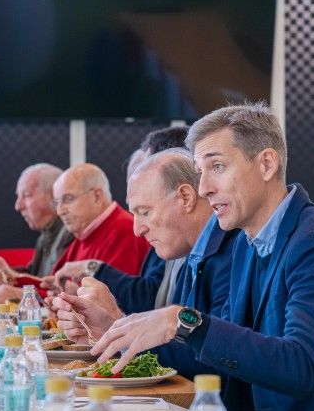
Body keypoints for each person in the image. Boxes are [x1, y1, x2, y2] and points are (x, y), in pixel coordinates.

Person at [91, 104, 314, 411]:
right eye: (199, 171)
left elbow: (302, 367)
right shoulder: (246, 243)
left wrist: (184, 321)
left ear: (266, 164)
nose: (204, 187)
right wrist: (120, 333)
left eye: (217, 166)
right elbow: (218, 354)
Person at [53, 150, 238, 379]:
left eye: (145, 212)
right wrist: (113, 329)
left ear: (186, 197)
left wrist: (117, 325)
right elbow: (182, 350)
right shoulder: (193, 254)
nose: (137, 230)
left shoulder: (231, 251)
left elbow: (217, 363)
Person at [53, 126, 189, 305]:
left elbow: (144, 299)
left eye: (145, 211)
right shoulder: (83, 234)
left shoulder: (125, 229)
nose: (60, 210)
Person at [0, 163, 74, 303]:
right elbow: (35, 276)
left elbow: (62, 292)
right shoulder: (46, 235)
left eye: (26, 195)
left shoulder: (71, 232)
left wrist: (15, 289)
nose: (18, 206)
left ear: (54, 195)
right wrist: (3, 274)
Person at [43, 163, 150, 286]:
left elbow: (117, 298)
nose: (60, 211)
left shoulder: (125, 229)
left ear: (97, 196)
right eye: (57, 203)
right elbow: (54, 283)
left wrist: (74, 294)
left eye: (68, 199)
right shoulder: (85, 232)